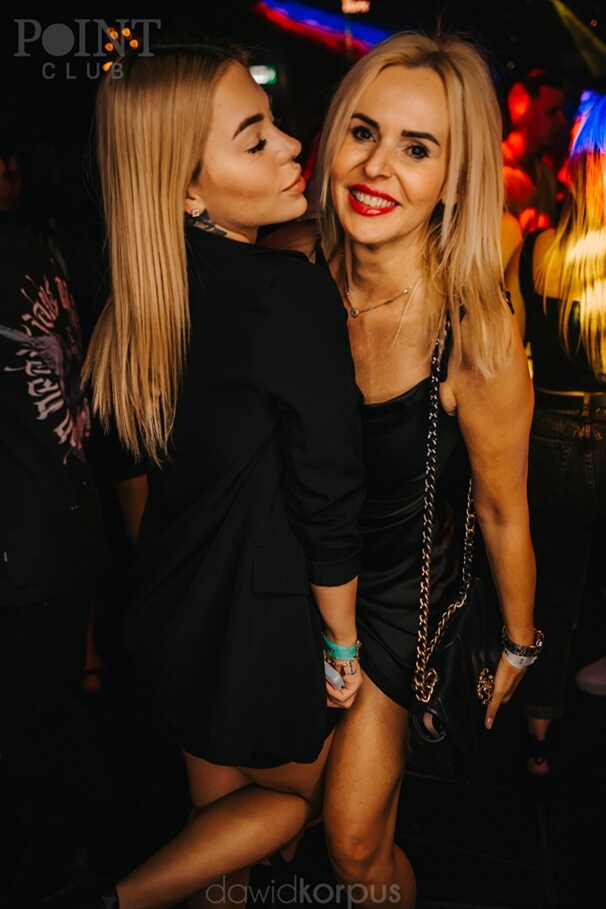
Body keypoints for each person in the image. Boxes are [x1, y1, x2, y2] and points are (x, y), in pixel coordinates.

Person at [67, 36, 368, 909]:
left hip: (173, 611)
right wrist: (341, 641)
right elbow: (329, 487)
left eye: (273, 123)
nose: (291, 144)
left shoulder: (137, 301)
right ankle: (116, 899)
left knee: (221, 850)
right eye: (254, 137)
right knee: (301, 806)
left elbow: (130, 476)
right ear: (187, 189)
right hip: (266, 626)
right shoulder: (285, 292)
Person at [265, 30, 539, 908]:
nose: (377, 166)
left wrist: (519, 640)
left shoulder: (476, 330)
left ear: (454, 179)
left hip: (396, 600)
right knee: (276, 820)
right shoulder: (285, 262)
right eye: (364, 132)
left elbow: (503, 509)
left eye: (417, 149)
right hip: (287, 575)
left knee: (353, 845)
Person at [0, 131, 112, 904]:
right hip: (59, 531)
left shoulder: (28, 255)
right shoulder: (44, 253)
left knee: (35, 748)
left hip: (28, 543)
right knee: (52, 732)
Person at [504, 92, 606, 773]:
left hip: (549, 434)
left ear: (573, 169)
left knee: (553, 589)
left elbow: (506, 363)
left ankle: (539, 730)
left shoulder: (534, 251)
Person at [501, 68, 569, 235]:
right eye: (552, 112)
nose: (561, 121)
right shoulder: (491, 169)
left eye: (561, 111)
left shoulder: (546, 176)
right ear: (521, 105)